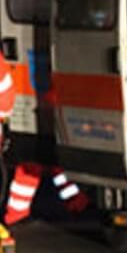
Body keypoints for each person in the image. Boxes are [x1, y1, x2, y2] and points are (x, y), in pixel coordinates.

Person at [2, 52, 88, 226]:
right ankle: (76, 203)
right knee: (39, 162)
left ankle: (75, 201)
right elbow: (5, 94)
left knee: (38, 163)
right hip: (43, 110)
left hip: (39, 110)